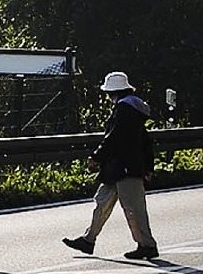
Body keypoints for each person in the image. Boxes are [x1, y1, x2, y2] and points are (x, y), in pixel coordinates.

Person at [63, 71, 158, 260]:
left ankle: (147, 245)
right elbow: (145, 141)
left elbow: (114, 138)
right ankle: (88, 240)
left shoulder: (124, 110)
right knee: (102, 203)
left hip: (124, 168)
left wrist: (96, 156)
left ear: (112, 92)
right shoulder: (132, 109)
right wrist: (149, 166)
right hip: (118, 169)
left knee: (133, 209)